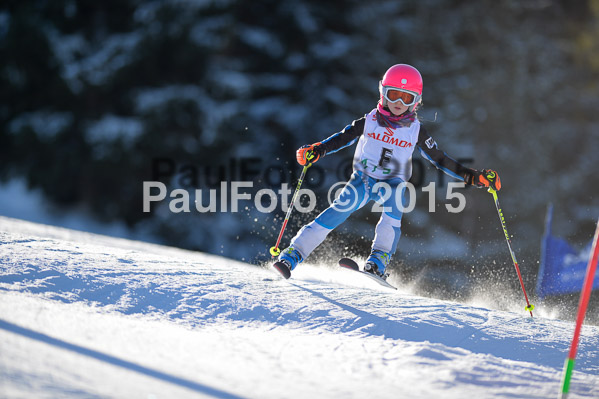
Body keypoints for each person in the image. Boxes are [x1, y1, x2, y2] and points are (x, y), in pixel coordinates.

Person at [273, 64, 501, 280]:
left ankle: (378, 260)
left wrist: (474, 177)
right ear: (383, 93)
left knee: (393, 211)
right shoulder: (369, 120)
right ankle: (292, 255)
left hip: (393, 183)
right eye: (393, 95)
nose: (399, 102)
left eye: (407, 97)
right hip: (362, 180)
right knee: (335, 213)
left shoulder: (416, 131)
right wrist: (317, 151)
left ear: (416, 101)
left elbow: (439, 159)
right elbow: (342, 138)